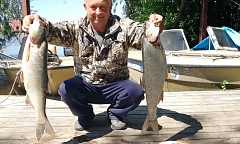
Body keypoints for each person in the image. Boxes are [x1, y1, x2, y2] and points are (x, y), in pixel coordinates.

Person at [22, 0, 164, 131]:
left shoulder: (124, 26)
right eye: (93, 7)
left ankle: (115, 114)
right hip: (86, 85)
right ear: (85, 7)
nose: (98, 12)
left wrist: (154, 25)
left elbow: (144, 35)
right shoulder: (74, 27)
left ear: (110, 6)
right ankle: (85, 115)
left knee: (136, 92)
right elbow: (51, 31)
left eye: (103, 7)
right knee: (66, 89)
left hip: (116, 86)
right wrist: (36, 21)